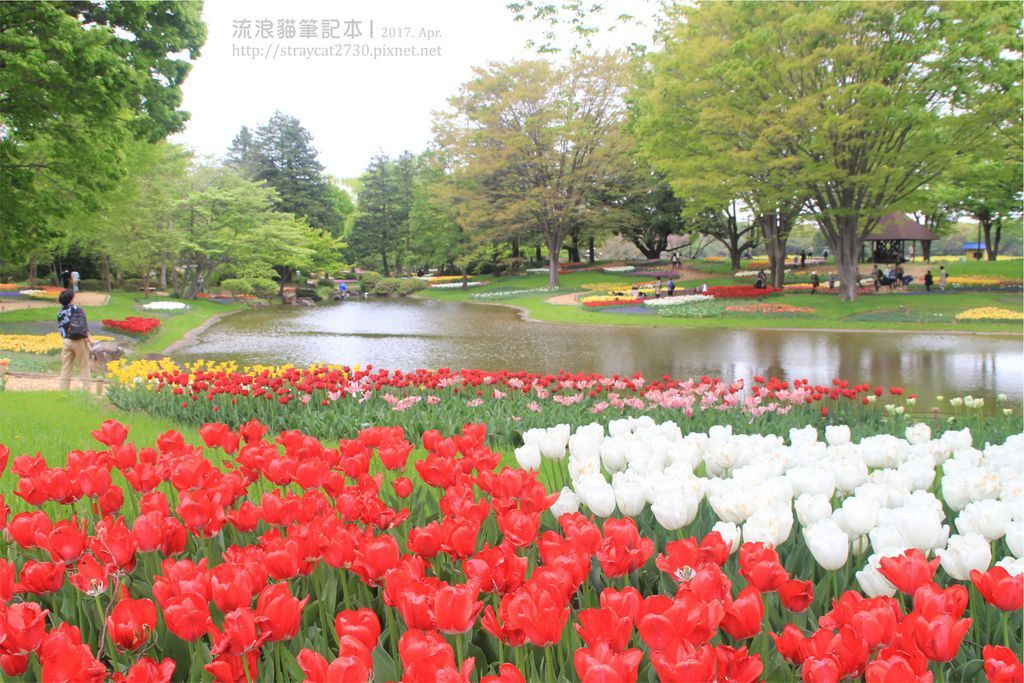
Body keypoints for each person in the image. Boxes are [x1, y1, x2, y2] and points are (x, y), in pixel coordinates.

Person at [57, 289, 92, 391]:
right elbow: (84, 326)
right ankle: (86, 389)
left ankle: (63, 390)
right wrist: (89, 339)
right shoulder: (77, 309)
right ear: (71, 299)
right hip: (79, 340)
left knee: (66, 367)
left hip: (66, 341)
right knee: (84, 366)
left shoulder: (60, 313)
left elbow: (60, 328)